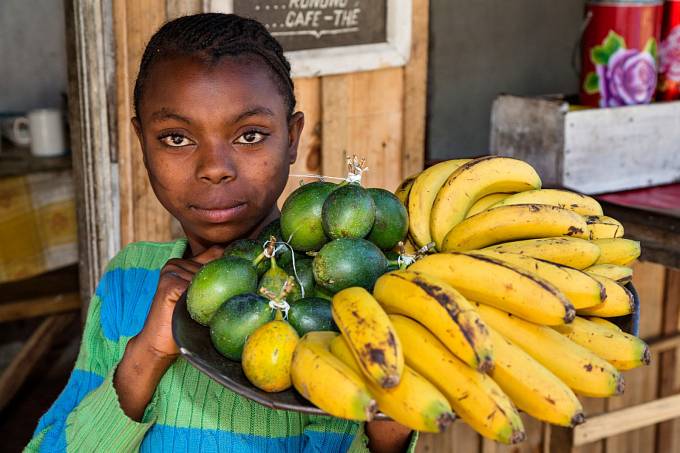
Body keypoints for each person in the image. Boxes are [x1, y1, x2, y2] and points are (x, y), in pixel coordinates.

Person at [25, 13, 416, 453]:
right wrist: (147, 354)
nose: (214, 168)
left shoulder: (340, 293)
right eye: (175, 138)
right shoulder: (128, 277)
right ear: (141, 142)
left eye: (249, 135)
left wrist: (391, 417)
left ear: (291, 139)